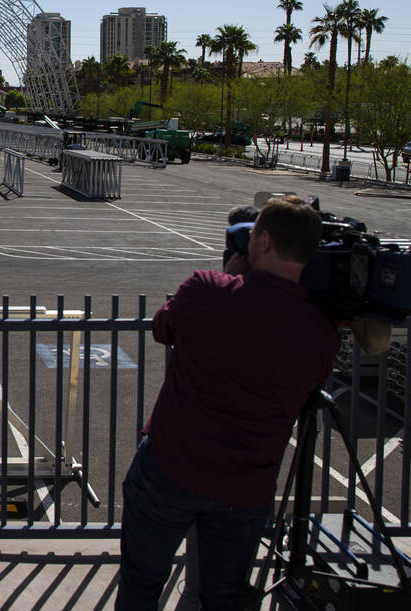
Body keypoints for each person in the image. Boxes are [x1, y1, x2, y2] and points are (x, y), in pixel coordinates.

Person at [116, 195, 340, 611]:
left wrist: (233, 280)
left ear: (264, 242)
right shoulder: (322, 331)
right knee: (223, 597)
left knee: (141, 584)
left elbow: (164, 327)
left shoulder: (207, 290)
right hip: (246, 489)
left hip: (170, 469)